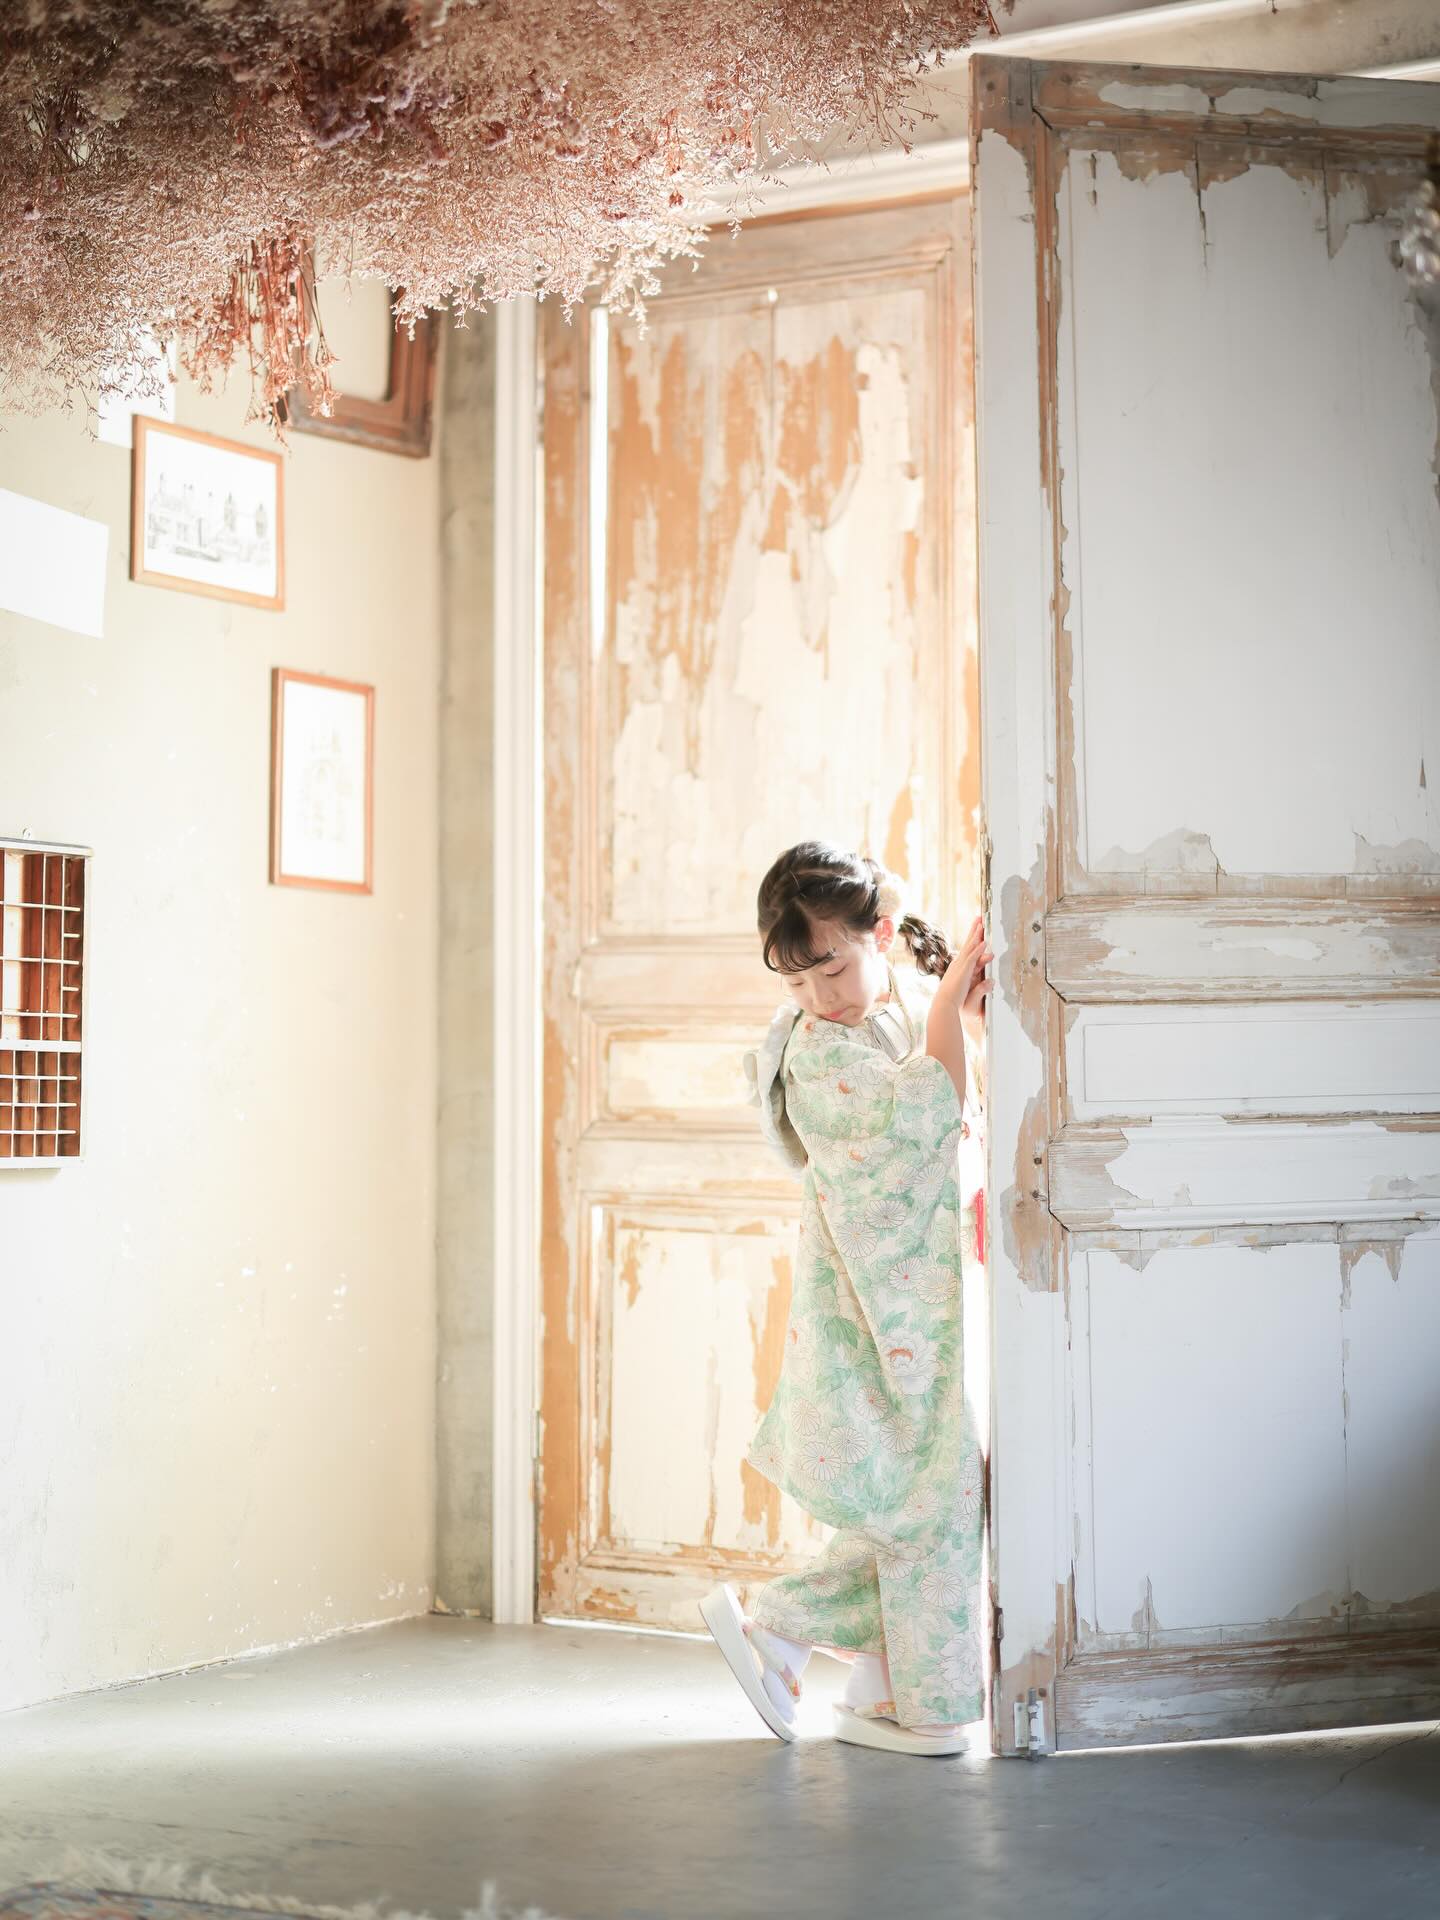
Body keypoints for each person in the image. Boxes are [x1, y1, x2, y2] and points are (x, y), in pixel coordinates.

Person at [701, 841, 991, 1757]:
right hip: (871, 1313)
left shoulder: (894, 1008)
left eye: (830, 966)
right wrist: (948, 1011)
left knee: (918, 1497)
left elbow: (953, 1116)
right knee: (928, 1499)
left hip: (907, 1302)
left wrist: (954, 1016)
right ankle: (807, 1638)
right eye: (796, 980)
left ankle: (872, 1681)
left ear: (880, 933)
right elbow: (919, 1125)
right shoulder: (816, 1056)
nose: (819, 996)